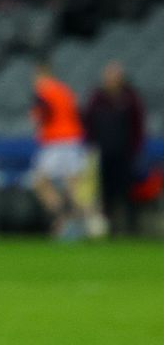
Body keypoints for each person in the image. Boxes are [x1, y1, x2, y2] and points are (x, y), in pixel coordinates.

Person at [29, 58, 93, 238]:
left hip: (55, 141)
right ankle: (89, 222)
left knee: (39, 182)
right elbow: (77, 114)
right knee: (74, 184)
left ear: (40, 74)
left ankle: (63, 218)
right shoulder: (64, 90)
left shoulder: (43, 90)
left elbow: (40, 114)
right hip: (73, 140)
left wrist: (36, 122)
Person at [81, 60, 145, 235]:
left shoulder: (130, 98)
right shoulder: (97, 98)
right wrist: (90, 146)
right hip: (103, 153)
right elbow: (87, 123)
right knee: (105, 193)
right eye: (109, 76)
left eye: (114, 76)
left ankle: (132, 227)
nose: (111, 79)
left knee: (127, 191)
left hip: (125, 153)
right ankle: (109, 228)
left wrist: (135, 149)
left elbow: (138, 126)